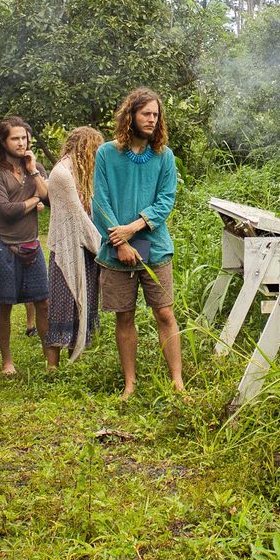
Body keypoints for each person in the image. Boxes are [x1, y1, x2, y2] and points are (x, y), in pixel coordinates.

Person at [92, 88, 183, 399]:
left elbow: (166, 200)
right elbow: (99, 202)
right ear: (130, 115)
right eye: (146, 113)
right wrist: (119, 241)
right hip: (117, 249)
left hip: (155, 247)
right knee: (125, 315)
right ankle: (130, 383)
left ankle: (177, 381)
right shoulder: (106, 153)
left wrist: (134, 227)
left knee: (164, 313)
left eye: (156, 115)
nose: (152, 119)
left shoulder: (164, 157)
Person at [0, 116, 50, 375]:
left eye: (24, 138)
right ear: (3, 141)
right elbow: (7, 211)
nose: (21, 143)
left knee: (43, 301)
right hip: (5, 245)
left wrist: (33, 172)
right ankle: (7, 361)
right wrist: (35, 200)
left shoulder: (35, 168)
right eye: (15, 138)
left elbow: (48, 197)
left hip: (32, 244)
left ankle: (49, 357)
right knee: (5, 303)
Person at [45, 126, 104, 367]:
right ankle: (52, 366)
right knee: (63, 303)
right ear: (85, 147)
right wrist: (104, 246)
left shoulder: (81, 172)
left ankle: (73, 361)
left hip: (86, 247)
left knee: (84, 300)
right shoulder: (62, 173)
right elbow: (76, 217)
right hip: (68, 248)